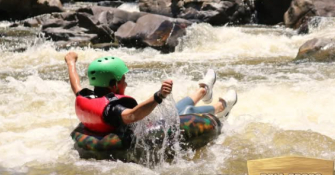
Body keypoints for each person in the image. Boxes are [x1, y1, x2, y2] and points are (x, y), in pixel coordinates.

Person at [64, 51, 237, 136]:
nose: (126, 82)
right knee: (184, 113)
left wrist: (70, 62)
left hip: (141, 123)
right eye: (123, 79)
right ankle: (222, 106)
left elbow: (75, 83)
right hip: (147, 130)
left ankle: (203, 90)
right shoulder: (113, 108)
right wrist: (158, 96)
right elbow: (132, 115)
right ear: (114, 84)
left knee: (176, 108)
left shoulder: (86, 95)